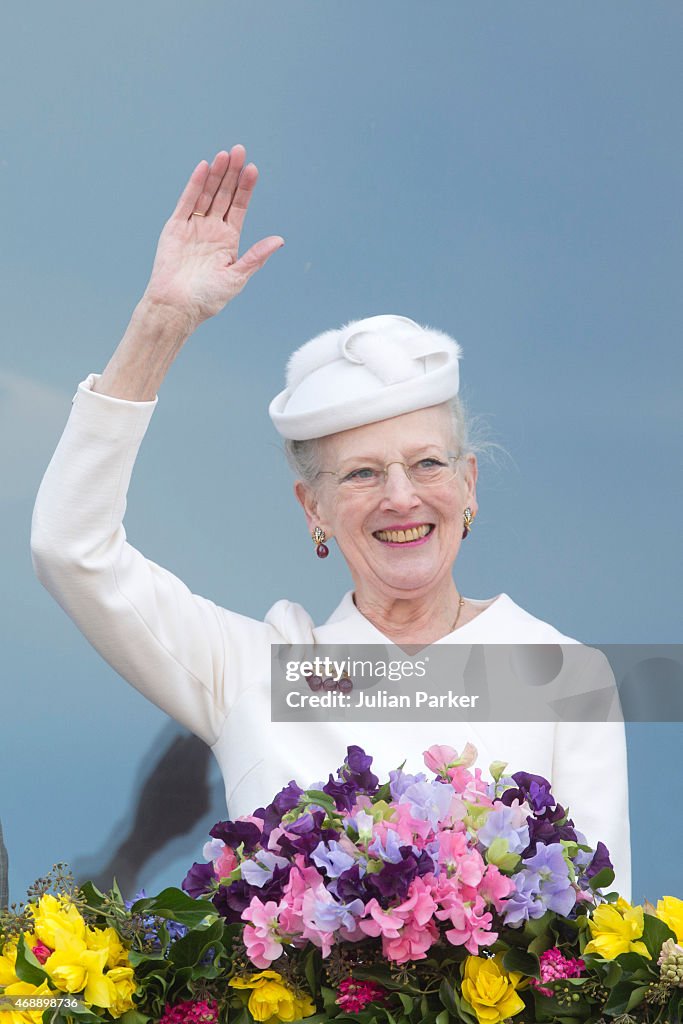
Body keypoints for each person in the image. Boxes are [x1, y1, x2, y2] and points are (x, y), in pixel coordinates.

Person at [30, 145, 631, 897]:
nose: (401, 497)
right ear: (311, 508)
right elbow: (70, 549)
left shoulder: (564, 674)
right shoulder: (253, 670)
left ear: (469, 486)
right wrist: (161, 324)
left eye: (428, 465)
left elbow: (601, 951)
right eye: (361, 474)